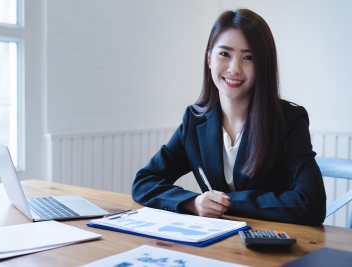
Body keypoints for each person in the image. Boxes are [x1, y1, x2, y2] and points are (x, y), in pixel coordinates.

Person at [132, 9, 326, 225]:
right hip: (216, 243)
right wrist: (192, 203)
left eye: (248, 57)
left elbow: (311, 203)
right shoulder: (195, 120)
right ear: (209, 59)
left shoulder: (289, 120)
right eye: (224, 54)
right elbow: (145, 182)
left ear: (263, 66)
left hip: (272, 246)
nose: (234, 68)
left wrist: (227, 202)